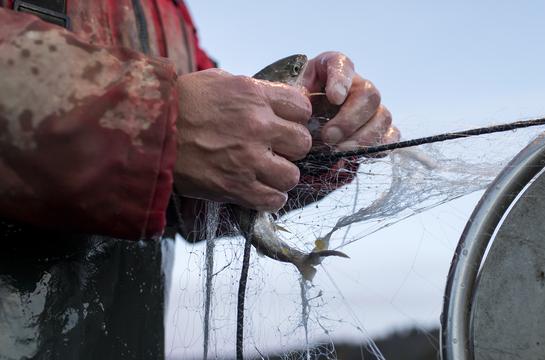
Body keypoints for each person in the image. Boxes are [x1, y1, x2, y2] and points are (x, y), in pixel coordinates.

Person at [0, 1, 398, 358]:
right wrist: (162, 117)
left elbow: (191, 191)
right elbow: (180, 127)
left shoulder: (169, 12)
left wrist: (314, 134)